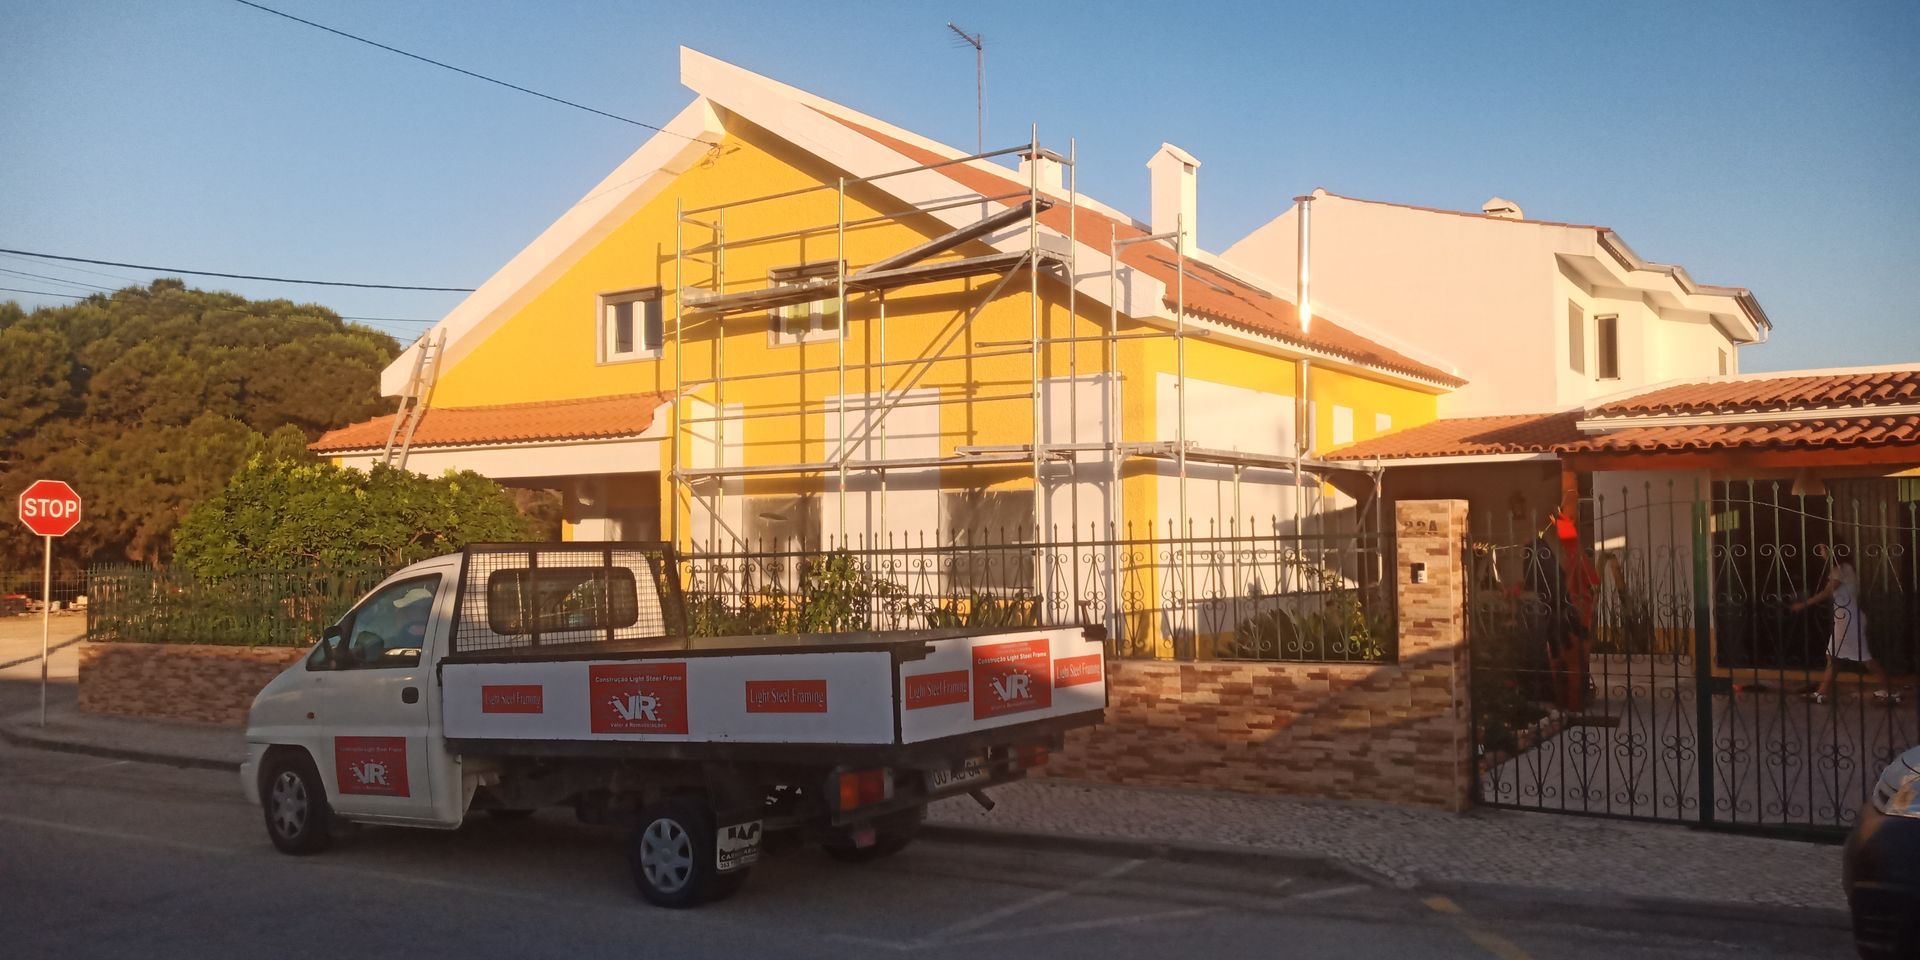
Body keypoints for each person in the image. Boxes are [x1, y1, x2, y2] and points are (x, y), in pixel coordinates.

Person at [1791, 547, 1898, 704]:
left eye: (1823, 549)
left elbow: (1827, 592)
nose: (1821, 553)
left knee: (1864, 658)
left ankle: (1890, 691)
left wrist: (1803, 604)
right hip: (1845, 617)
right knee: (1834, 656)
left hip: (1849, 620)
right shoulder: (1842, 569)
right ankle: (1821, 693)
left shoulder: (1841, 569)